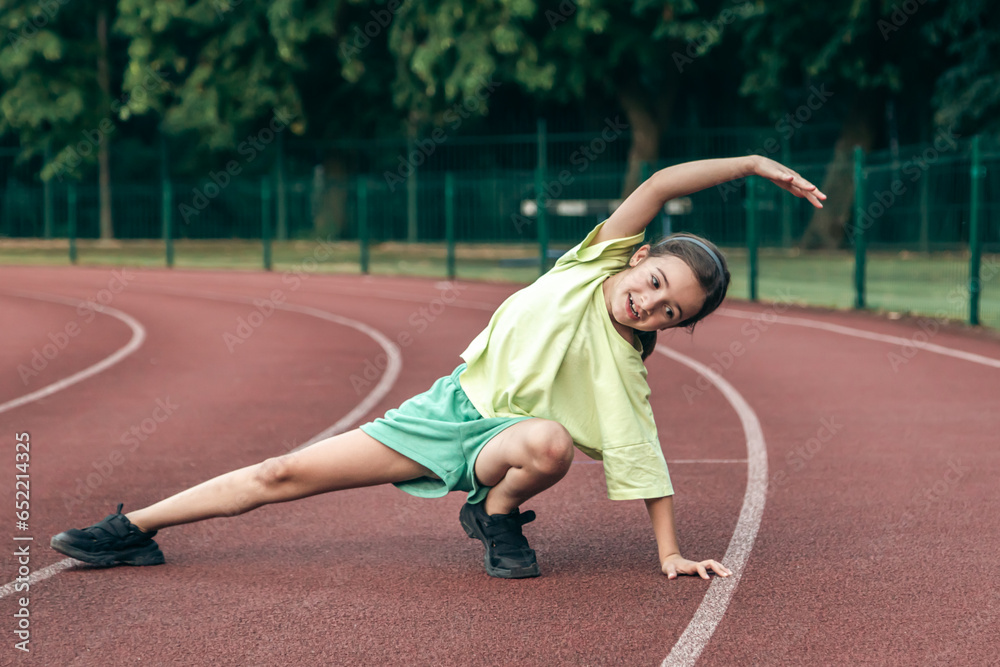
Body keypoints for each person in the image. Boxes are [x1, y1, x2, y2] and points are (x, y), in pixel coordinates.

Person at [51, 155, 825, 580]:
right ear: (640, 255)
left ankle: (493, 514)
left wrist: (670, 554)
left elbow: (643, 458)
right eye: (655, 283)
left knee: (550, 442)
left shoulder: (624, 367)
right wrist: (753, 165)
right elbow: (658, 185)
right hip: (443, 414)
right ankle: (136, 528)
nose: (650, 305)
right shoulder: (590, 264)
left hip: (504, 445)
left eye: (671, 314)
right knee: (282, 473)